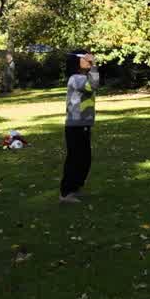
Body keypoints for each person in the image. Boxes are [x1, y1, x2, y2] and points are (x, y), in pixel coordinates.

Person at [60, 51, 100, 203]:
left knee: (84, 159)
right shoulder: (75, 79)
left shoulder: (83, 77)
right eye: (85, 58)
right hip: (75, 126)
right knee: (75, 159)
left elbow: (93, 83)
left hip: (84, 125)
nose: (89, 60)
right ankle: (65, 193)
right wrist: (94, 66)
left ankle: (75, 189)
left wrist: (92, 68)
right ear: (77, 62)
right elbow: (93, 86)